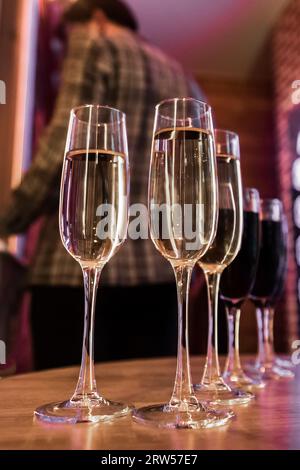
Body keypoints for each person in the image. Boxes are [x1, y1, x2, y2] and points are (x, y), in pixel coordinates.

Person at [0, 0, 204, 370]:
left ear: (95, 17)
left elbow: (65, 147)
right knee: (147, 405)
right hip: (161, 277)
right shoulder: (184, 77)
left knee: (71, 409)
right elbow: (196, 181)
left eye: (64, 38)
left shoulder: (94, 42)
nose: (64, 48)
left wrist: (9, 218)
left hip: (74, 271)